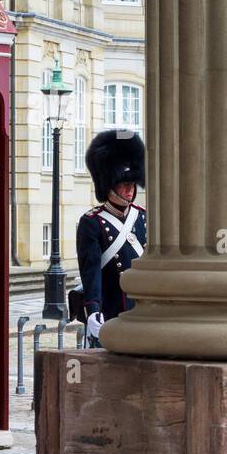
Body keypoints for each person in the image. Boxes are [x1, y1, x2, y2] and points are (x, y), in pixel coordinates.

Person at [76, 131, 147, 347]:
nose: (130, 189)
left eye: (132, 184)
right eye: (124, 184)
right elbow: (91, 271)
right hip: (112, 309)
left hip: (142, 310)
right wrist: (93, 309)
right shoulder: (92, 222)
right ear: (109, 186)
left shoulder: (142, 216)